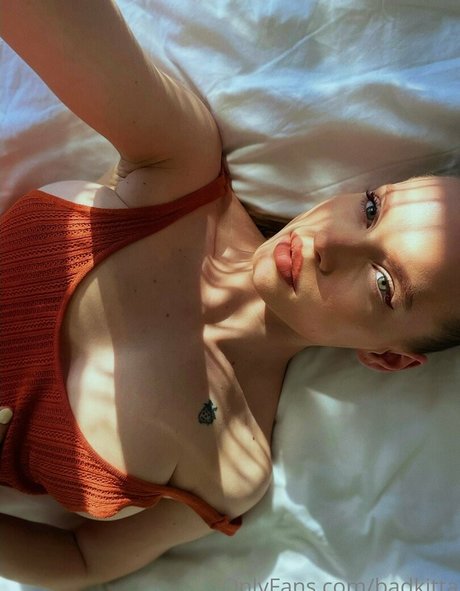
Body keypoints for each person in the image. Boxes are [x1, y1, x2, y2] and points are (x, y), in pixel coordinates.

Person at [1, 1, 460, 589]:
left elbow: (81, 559)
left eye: (382, 283)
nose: (331, 243)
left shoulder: (233, 464)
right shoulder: (179, 164)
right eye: (371, 209)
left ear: (389, 357)